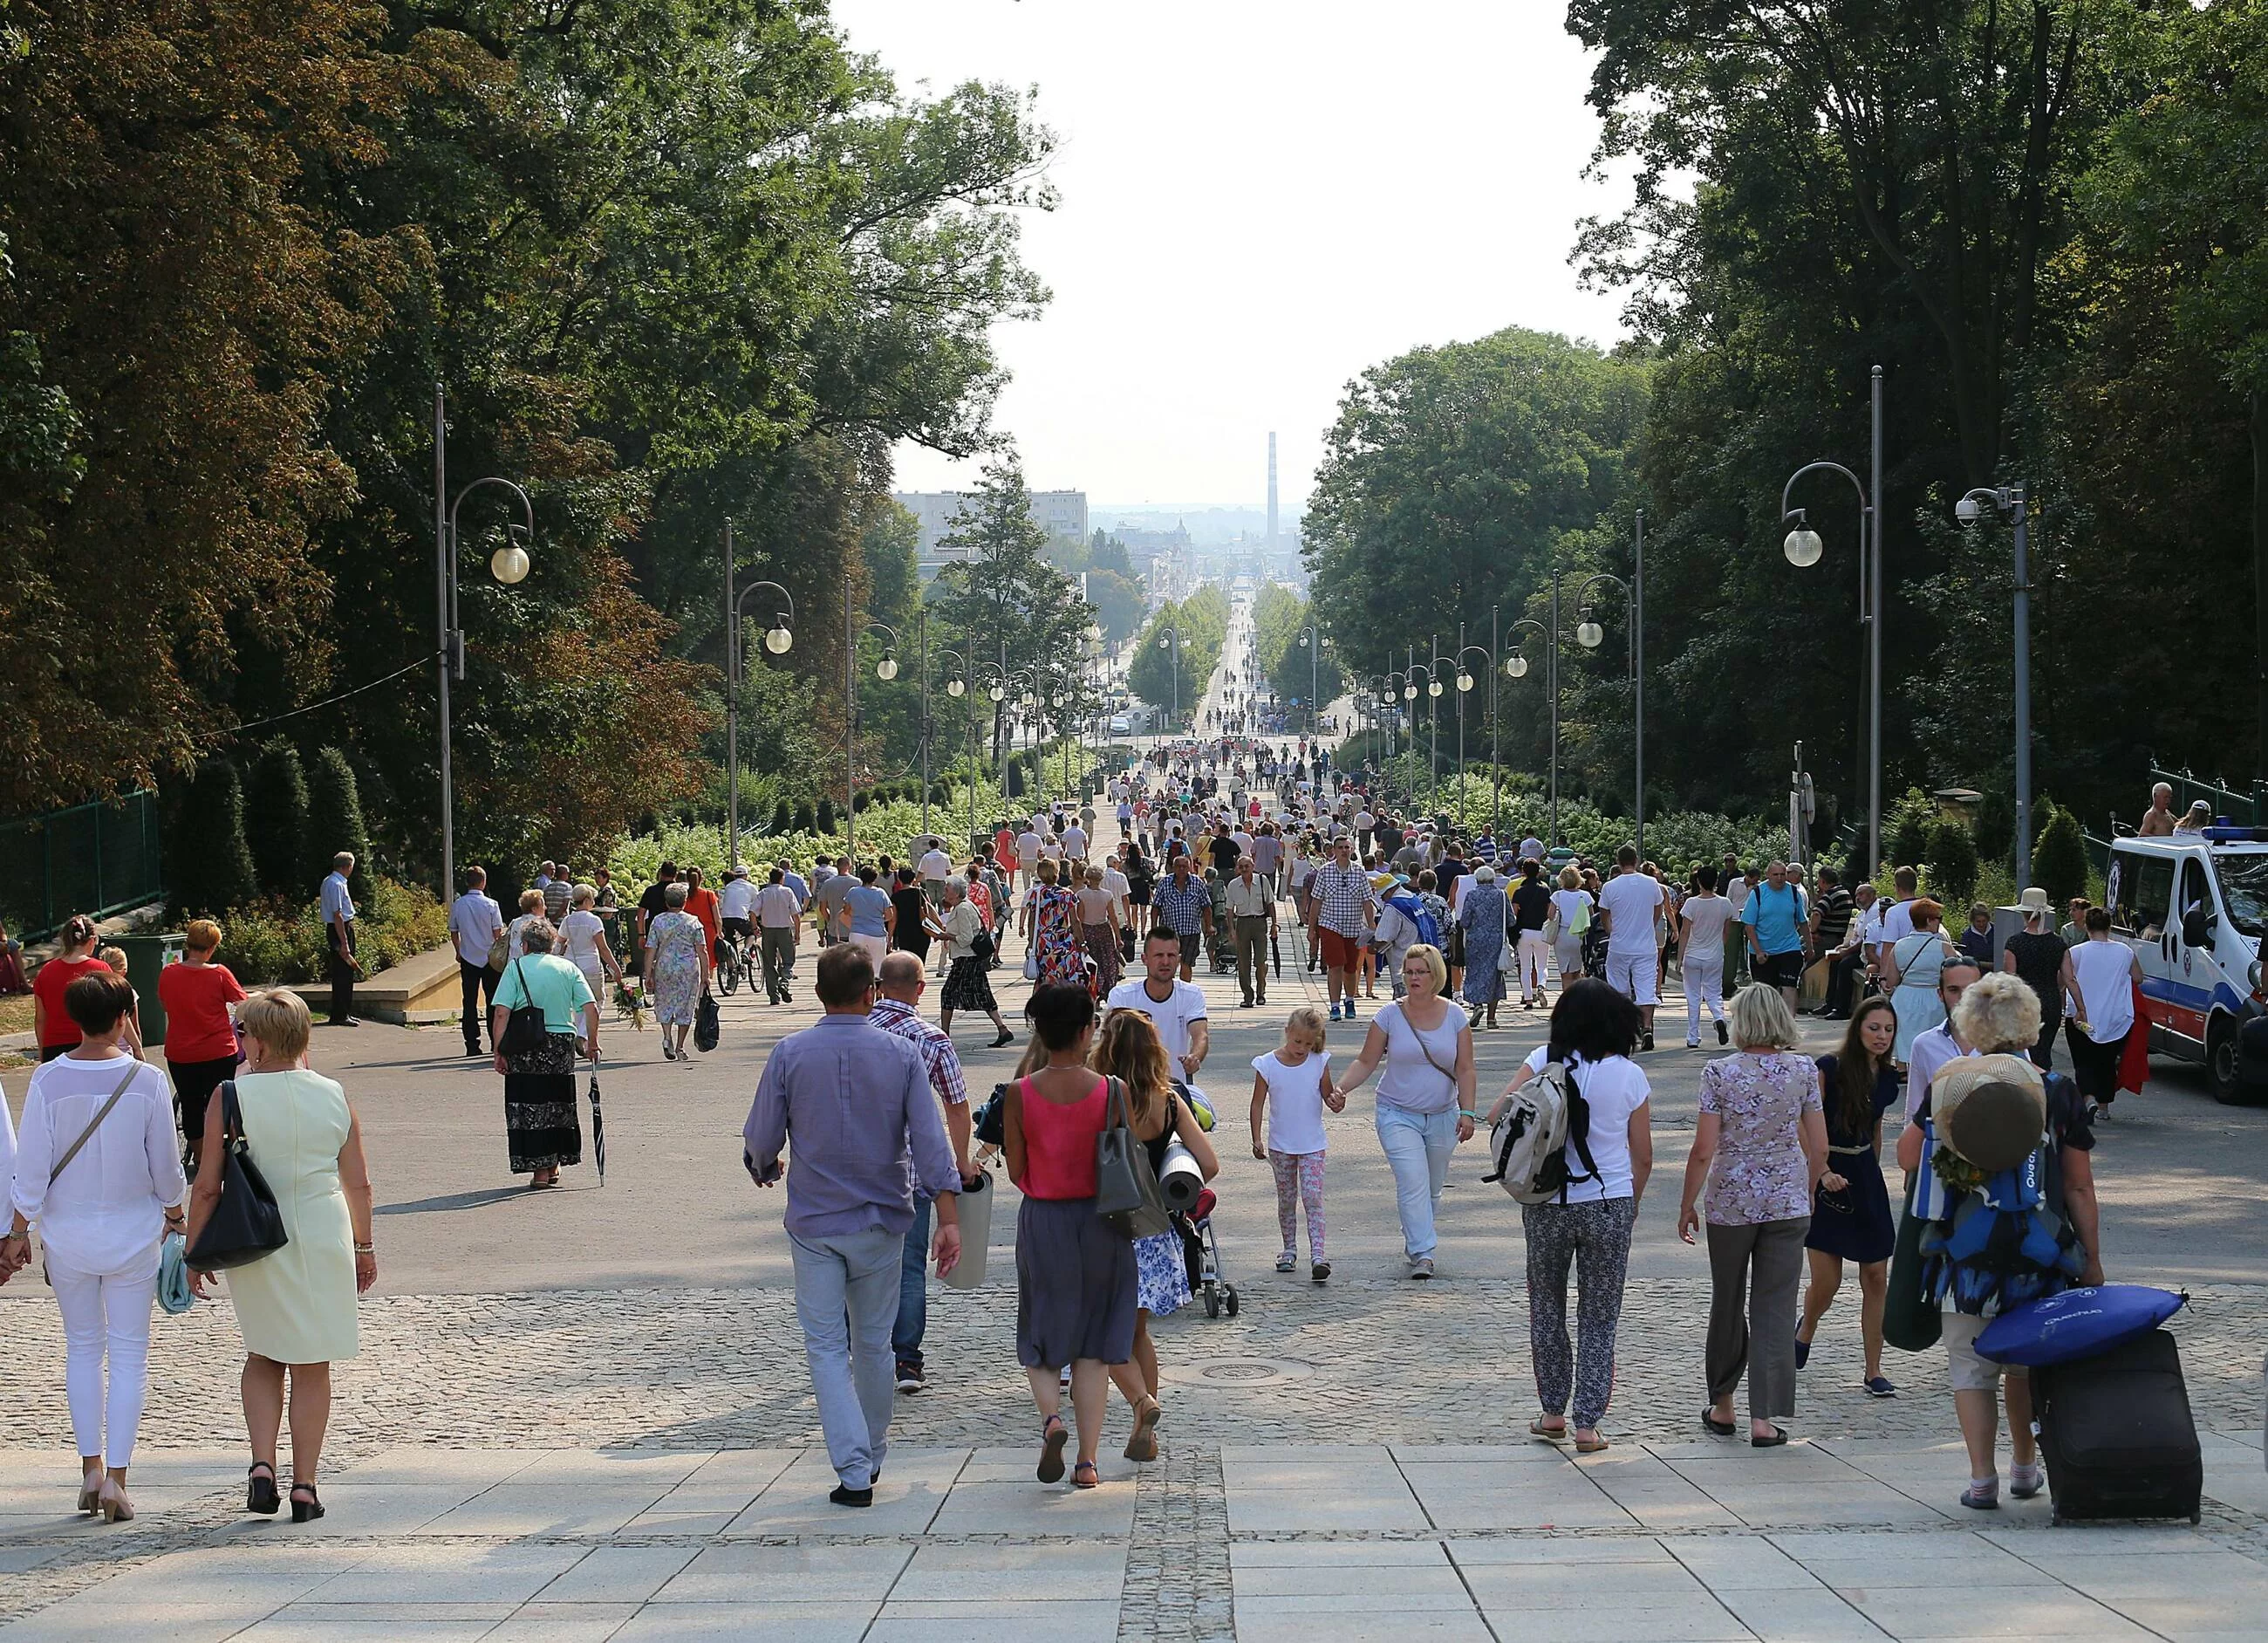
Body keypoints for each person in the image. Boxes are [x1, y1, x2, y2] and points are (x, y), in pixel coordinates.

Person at [743, 944, 963, 1507]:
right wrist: (948, 1214)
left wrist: (766, 1165)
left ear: (818, 994)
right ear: (872, 993)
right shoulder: (902, 1055)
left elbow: (762, 1135)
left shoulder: (789, 1053)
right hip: (883, 1218)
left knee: (824, 1344)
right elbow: (931, 1139)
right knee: (873, 1344)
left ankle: (853, 1468)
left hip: (815, 1220)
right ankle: (872, 1450)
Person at [1897, 976, 2101, 1510]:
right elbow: (2078, 1183)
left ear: (1970, 1024)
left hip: (1966, 1256)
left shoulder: (1950, 1084)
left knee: (1970, 1365)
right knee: (2026, 1363)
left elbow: (1906, 1157)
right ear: (2031, 1023)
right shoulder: (2057, 1090)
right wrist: (2093, 1260)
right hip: (2041, 1254)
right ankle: (2026, 1465)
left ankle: (1981, 1478)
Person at [180, 989, 374, 1523]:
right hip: (322, 1232)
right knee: (314, 1364)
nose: (239, 1041)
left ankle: (262, 1464)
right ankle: (305, 1484)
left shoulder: (230, 1095)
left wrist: (196, 1253)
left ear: (258, 1042)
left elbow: (207, 1186)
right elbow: (358, 1183)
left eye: (242, 1033)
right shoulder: (335, 1094)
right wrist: (365, 1245)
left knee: (264, 1354)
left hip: (257, 1235)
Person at [3, 972, 185, 1522]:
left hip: (68, 1235)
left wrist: (16, 1233)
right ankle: (119, 1481)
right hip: (133, 1234)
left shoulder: (48, 1080)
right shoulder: (146, 1080)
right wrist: (177, 1217)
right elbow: (167, 1173)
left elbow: (30, 1172)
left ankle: (90, 1467)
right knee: (129, 1354)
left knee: (83, 1348)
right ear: (126, 1014)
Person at [1485, 979, 1653, 1453]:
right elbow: (1643, 1155)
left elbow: (1500, 1114)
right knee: (1600, 1316)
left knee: (1547, 1309)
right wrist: (1631, 1205)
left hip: (1547, 1204)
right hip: (1609, 1202)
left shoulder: (1544, 1060)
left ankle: (1552, 1412)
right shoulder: (1630, 1075)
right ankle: (1588, 1425)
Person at [1677, 984, 1828, 1446]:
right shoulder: (1803, 1070)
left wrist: (1687, 1202)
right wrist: (1807, 1187)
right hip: (1785, 1200)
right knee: (1776, 1305)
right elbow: (1819, 1145)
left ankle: (1724, 1404)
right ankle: (1765, 1418)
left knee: (1728, 1299)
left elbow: (1704, 1149)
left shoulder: (1719, 1072)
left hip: (1731, 1200)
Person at [1002, 983, 1137, 1489]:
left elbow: (1017, 1167)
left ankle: (1050, 1420)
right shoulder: (1111, 1090)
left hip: (1044, 1219)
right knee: (1095, 1344)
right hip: (1103, 1221)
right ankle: (1087, 1462)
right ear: (1086, 1032)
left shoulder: (1020, 1093)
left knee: (1040, 1330)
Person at [1090, 1009, 1219, 1461]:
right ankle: (1145, 1428)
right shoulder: (1167, 1101)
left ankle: (1141, 1404)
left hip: (1102, 1227)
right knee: (1138, 1333)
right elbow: (1211, 1165)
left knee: (1100, 1334)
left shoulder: (1097, 1096)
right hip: (1151, 1229)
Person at [1329, 945, 1477, 1280]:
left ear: (1435, 974)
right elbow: (1365, 1061)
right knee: (1413, 1181)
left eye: (1421, 972)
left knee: (1432, 1188)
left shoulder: (1455, 1016)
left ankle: (1415, 1235)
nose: (1413, 978)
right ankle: (1424, 1253)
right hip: (1397, 1113)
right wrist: (1341, 1089)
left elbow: (1466, 1068)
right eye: (1409, 972)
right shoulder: (1389, 1016)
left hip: (1442, 1114)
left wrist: (1467, 1111)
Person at [870, 954, 976, 1398]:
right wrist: (962, 1160)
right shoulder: (932, 1039)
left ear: (877, 986)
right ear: (920, 988)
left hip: (855, 1173)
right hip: (911, 1173)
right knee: (909, 1265)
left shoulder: (853, 1032)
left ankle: (862, 1352)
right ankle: (907, 1360)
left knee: (861, 1264)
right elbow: (955, 1105)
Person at [1795, 997, 1902, 1398]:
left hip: (1864, 1175)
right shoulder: (1829, 1069)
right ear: (1857, 1028)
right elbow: (1803, 1124)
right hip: (1826, 1171)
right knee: (1828, 1281)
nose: (1881, 1036)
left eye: (1888, 1029)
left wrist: (1874, 1168)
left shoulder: (1890, 1078)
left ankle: (1873, 1369)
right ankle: (1806, 1327)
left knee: (1876, 1276)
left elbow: (1875, 1129)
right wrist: (1820, 1172)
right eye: (1874, 1027)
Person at [489, 918, 597, 1188]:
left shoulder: (515, 969)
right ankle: (553, 1164)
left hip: (525, 1043)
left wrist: (498, 1050)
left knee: (529, 1105)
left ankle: (538, 1171)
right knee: (557, 1104)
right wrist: (591, 1043)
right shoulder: (567, 968)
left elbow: (502, 1012)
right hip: (561, 1044)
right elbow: (590, 1007)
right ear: (551, 945)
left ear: (524, 945)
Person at [1250, 1006, 1339, 1281]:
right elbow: (1257, 1103)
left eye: (1308, 1043)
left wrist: (1337, 1100)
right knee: (1287, 1200)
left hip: (1312, 1144)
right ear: (1287, 1032)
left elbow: (1329, 1096)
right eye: (1297, 1041)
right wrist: (1256, 1137)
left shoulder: (1319, 1062)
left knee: (1312, 1197)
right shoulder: (1267, 1064)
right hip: (1281, 1146)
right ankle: (1289, 1249)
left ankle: (1319, 1254)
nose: (1302, 1048)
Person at [156, 920, 246, 1168]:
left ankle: (201, 1157)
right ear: (213, 947)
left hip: (181, 1052)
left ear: (188, 943)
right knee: (220, 1104)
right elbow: (243, 1005)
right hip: (218, 1050)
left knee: (191, 1104)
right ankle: (223, 1154)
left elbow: (165, 1004)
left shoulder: (169, 973)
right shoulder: (219, 974)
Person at [2062, 907, 2142, 1117]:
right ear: (2109, 927)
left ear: (2086, 927)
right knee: (2106, 1063)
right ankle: (2105, 1107)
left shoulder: (2076, 952)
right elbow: (2137, 977)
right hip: (2115, 1017)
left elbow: (2063, 980)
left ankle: (2088, 1098)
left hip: (2081, 1015)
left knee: (2083, 1060)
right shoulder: (2125, 951)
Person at [1105, 929, 1212, 1087]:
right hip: (1131, 1089)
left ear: (1179, 959)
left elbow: (1201, 1035)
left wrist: (1195, 1057)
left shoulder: (1191, 994)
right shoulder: (1122, 996)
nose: (1165, 962)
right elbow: (1111, 1044)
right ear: (1144, 959)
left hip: (1175, 1090)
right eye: (1159, 955)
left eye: (1171, 956)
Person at [1597, 847, 1666, 1051]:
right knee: (1646, 988)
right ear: (1636, 860)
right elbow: (1658, 909)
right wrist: (1648, 926)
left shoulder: (1610, 886)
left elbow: (1604, 914)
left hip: (1620, 945)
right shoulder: (1651, 883)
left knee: (1619, 989)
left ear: (1618, 861)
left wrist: (1612, 932)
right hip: (1645, 946)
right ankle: (1646, 1028)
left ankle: (1622, 1030)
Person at [1905, 954, 1984, 1118]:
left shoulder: (2006, 1043)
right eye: (1954, 990)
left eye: (1971, 990)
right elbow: (1915, 1111)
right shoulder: (1924, 1045)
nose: (1963, 998)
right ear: (1940, 994)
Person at [1309, 836, 1377, 1023]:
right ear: (1334, 850)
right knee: (1335, 964)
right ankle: (1334, 1005)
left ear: (1352, 849)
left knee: (1350, 967)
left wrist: (1371, 924)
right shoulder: (1325, 871)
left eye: (1347, 847)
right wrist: (1311, 928)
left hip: (1353, 927)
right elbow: (1316, 900)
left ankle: (1349, 1000)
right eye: (1340, 848)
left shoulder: (1359, 872)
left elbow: (1366, 900)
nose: (1344, 851)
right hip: (1330, 924)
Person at [938, 880, 1013, 1046]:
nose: (945, 891)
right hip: (970, 958)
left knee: (948, 994)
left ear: (956, 893)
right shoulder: (964, 906)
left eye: (947, 889)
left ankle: (944, 1036)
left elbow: (966, 939)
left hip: (966, 959)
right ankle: (1003, 1029)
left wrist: (947, 936)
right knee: (982, 994)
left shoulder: (963, 909)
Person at [644, 882, 711, 1062]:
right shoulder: (693, 922)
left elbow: (650, 948)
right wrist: (706, 975)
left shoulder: (658, 921)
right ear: (685, 901)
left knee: (664, 1001)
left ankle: (667, 1036)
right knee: (685, 1005)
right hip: (687, 969)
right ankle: (680, 1046)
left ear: (666, 902)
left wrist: (648, 974)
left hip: (664, 968)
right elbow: (702, 950)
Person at [1883, 898, 1956, 1064]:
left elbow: (1892, 980)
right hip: (1934, 998)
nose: (1939, 922)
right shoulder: (1944, 947)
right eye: (1939, 918)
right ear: (1929, 921)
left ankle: (1905, 1074)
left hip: (1905, 997)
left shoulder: (1899, 946)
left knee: (1906, 1041)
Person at [2000, 890, 2066, 1069]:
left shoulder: (2014, 943)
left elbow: (2010, 979)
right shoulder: (2058, 943)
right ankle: (2045, 1088)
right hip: (2050, 1001)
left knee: (2025, 1054)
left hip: (2024, 1003)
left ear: (2023, 913)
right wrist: (2081, 1008)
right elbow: (2069, 978)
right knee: (2044, 1052)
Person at [31, 914, 109, 1063]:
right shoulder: (101, 969)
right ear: (92, 941)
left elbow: (40, 1018)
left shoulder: (46, 972)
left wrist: (41, 1049)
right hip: (93, 1045)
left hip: (54, 1046)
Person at [449, 867, 507, 1058]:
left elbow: (454, 932)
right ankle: (494, 1040)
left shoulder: (458, 904)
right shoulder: (491, 904)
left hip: (468, 958)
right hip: (489, 959)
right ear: (483, 882)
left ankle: (472, 1044)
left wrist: (459, 952)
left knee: (469, 1002)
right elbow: (497, 933)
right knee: (493, 1001)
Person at [1677, 868, 1733, 1048]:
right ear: (1716, 882)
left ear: (1698, 882)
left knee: (1693, 996)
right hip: (1714, 955)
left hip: (1693, 954)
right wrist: (1719, 948)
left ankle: (1693, 1036)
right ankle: (1719, 1018)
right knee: (1714, 992)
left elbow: (1685, 931)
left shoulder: (1691, 904)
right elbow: (1727, 931)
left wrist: (1679, 958)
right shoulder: (1725, 904)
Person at [1743, 860, 1811, 1009]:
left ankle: (1788, 1026)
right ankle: (1768, 1026)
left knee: (1790, 986)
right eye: (1775, 875)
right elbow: (1749, 926)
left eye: (1782, 874)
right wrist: (1759, 951)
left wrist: (1809, 948)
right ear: (1768, 875)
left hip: (1789, 948)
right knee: (1766, 993)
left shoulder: (1794, 893)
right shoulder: (1758, 893)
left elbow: (1803, 922)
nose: (1779, 878)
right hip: (1763, 951)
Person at [1455, 864, 1510, 1030]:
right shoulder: (1502, 895)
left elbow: (1464, 921)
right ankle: (1492, 1019)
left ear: (1477, 880)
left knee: (1475, 973)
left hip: (1475, 941)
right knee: (1495, 976)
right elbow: (1511, 920)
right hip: (1496, 941)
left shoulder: (1472, 895)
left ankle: (1477, 1005)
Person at [1021, 859, 1087, 989]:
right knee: (1067, 975)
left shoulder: (1036, 894)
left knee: (1046, 977)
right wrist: (1082, 941)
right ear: (1056, 873)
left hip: (1044, 943)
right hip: (1064, 941)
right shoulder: (1066, 894)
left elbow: (1032, 920)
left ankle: (1045, 1003)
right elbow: (1074, 921)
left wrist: (1031, 941)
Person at [557, 883, 625, 1009]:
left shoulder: (567, 921)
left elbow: (559, 943)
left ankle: (580, 1026)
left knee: (576, 1003)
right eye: (593, 899)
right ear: (587, 900)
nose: (594, 903)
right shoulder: (593, 921)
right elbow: (603, 949)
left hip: (571, 966)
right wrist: (616, 968)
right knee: (596, 1001)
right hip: (590, 965)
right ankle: (588, 1028)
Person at [1821, 881, 1880, 1021]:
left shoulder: (1874, 912)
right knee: (1835, 962)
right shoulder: (1862, 913)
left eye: (1861, 894)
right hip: (1859, 949)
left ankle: (1842, 1009)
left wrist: (1846, 952)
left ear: (1872, 895)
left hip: (1868, 952)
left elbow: (1864, 942)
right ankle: (1831, 1004)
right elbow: (1855, 936)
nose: (1858, 898)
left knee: (1845, 965)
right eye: (1856, 895)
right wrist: (1842, 947)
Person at [1151, 854, 1213, 985]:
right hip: (1169, 933)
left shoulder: (1197, 883)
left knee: (1186, 963)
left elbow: (1206, 907)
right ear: (1173, 868)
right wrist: (1154, 928)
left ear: (1189, 867)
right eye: (1178, 867)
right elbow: (1156, 907)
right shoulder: (1165, 883)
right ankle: (1169, 990)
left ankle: (1184, 990)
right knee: (1168, 963)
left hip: (1191, 932)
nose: (1181, 869)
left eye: (1184, 866)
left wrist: (1209, 926)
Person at [1224, 855, 1274, 1009]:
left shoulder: (1262, 881)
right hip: (1242, 923)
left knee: (1260, 961)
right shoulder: (1233, 885)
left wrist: (1274, 924)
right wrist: (1231, 929)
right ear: (1238, 869)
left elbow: (1270, 903)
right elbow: (1229, 909)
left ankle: (1261, 992)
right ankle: (1248, 995)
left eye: (1247, 866)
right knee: (1243, 962)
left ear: (1253, 866)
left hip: (1259, 923)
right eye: (1241, 867)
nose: (1244, 869)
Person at [318, 852, 361, 1027]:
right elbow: (338, 915)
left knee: (344, 972)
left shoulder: (330, 881)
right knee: (343, 973)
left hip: (339, 928)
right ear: (346, 866)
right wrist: (344, 943)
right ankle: (340, 1014)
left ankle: (343, 1012)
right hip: (340, 928)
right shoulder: (336, 884)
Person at [1508, 858, 1553, 1011]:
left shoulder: (1519, 891)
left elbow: (1514, 913)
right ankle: (1541, 985)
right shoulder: (1545, 889)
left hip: (1524, 932)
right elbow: (1549, 912)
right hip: (1541, 931)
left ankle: (1528, 999)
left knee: (1525, 967)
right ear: (1539, 871)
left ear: (1523, 871)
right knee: (1542, 965)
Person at [755, 867, 803, 1006]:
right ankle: (784, 982)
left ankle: (773, 996)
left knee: (769, 964)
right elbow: (796, 915)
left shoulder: (763, 893)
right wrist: (797, 933)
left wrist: (754, 927)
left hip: (768, 931)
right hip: (784, 930)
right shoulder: (787, 892)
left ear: (770, 879)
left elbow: (753, 912)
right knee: (788, 960)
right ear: (782, 879)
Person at [1079, 863, 1125, 996]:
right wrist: (1118, 938)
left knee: (1091, 963)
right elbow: (1113, 918)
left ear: (1087, 877)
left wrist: (1079, 938)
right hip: (1104, 931)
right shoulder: (1107, 895)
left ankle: (1094, 991)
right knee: (1107, 962)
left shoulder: (1082, 895)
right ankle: (1105, 989)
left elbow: (1080, 919)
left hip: (1088, 931)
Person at [844, 865, 895, 972]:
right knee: (877, 967)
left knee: (856, 966)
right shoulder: (881, 893)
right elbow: (890, 915)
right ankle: (875, 987)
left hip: (857, 932)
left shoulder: (853, 891)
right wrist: (879, 919)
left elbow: (846, 911)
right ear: (875, 878)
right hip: (877, 933)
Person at [1548, 866, 1592, 989]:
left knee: (1565, 974)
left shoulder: (1557, 895)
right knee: (1577, 972)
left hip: (1562, 935)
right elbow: (1591, 916)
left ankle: (1567, 1003)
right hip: (1580, 936)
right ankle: (1578, 1002)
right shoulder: (1586, 895)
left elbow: (1550, 916)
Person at [891, 866, 942, 966]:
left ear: (899, 879)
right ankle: (920, 980)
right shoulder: (921, 892)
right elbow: (930, 910)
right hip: (922, 932)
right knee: (920, 964)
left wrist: (890, 938)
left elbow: (893, 919)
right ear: (913, 879)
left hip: (904, 934)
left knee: (908, 965)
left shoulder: (896, 897)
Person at [636, 862, 680, 978]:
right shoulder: (680, 891)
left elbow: (640, 914)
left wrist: (641, 934)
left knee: (653, 957)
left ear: (661, 873)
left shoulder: (651, 891)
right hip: (677, 930)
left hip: (655, 930)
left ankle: (650, 978)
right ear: (676, 874)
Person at [682, 866, 723, 968]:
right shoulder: (709, 895)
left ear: (687, 879)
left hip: (688, 933)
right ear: (702, 879)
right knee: (707, 966)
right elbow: (717, 918)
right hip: (707, 934)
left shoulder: (683, 896)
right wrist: (719, 932)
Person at [1956, 901, 1997, 969]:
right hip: (1978, 972)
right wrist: (1988, 965)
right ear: (1972, 920)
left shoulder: (1996, 930)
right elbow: (1966, 960)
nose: (1981, 924)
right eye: (1978, 921)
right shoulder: (1967, 936)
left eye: (1984, 921)